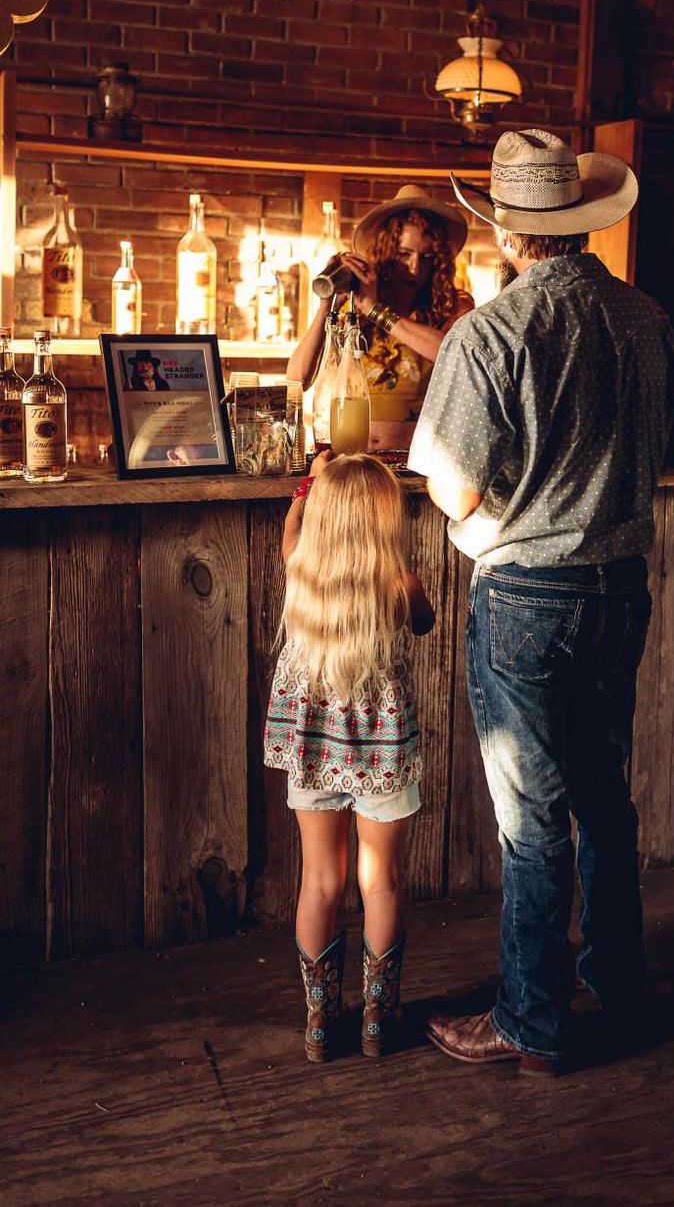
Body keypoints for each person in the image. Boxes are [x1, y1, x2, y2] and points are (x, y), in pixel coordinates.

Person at [407, 129, 674, 1077]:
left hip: (527, 593)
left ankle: (532, 1021)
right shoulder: (646, 318)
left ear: (505, 232)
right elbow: (671, 457)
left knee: (531, 820)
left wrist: (511, 508)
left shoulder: (488, 334)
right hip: (620, 586)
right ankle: (620, 980)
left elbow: (451, 491)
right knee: (606, 797)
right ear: (580, 222)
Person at [263, 452, 435, 1061]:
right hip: (382, 751)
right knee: (379, 880)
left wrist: (305, 488)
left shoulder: (299, 569)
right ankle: (376, 1022)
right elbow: (424, 622)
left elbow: (291, 533)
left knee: (320, 880)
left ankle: (318, 1020)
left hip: (312, 748)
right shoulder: (398, 585)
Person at [287, 185, 474, 450]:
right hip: (351, 462)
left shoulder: (453, 306)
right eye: (404, 254)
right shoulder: (354, 308)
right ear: (386, 250)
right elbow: (297, 380)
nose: (414, 268)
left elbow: (451, 351)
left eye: (426, 257)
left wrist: (376, 310)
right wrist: (325, 306)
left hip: (417, 463)